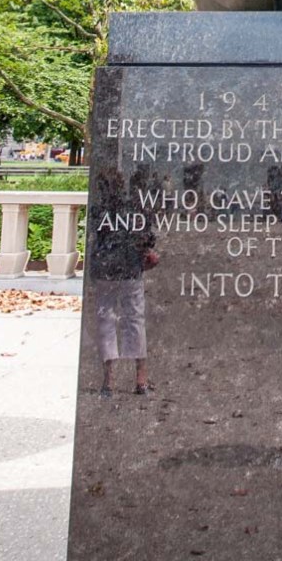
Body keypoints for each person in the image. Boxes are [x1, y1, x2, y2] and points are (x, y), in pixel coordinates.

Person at [90, 168, 157, 398]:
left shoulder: (98, 210)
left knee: (106, 320)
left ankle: (109, 380)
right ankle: (140, 378)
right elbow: (148, 238)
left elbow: (95, 240)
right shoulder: (136, 209)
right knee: (134, 319)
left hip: (106, 270)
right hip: (129, 268)